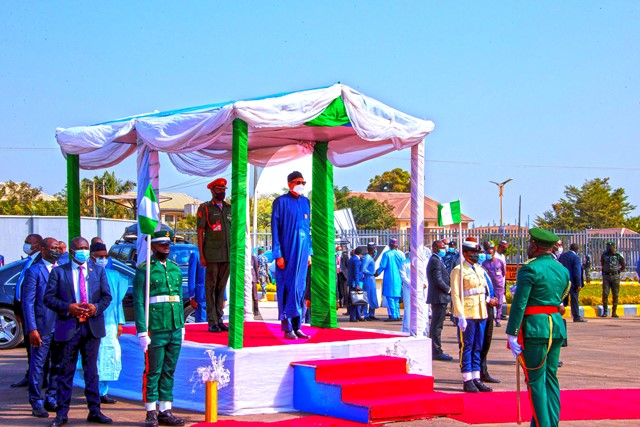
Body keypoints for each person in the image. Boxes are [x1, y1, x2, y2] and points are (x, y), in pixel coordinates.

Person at [44, 236, 113, 427]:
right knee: (66, 371)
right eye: (80, 248)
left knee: (92, 372)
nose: (83, 251)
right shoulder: (60, 272)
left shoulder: (98, 271)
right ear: (72, 251)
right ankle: (62, 413)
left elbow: (107, 297)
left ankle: (95, 411)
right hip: (69, 327)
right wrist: (69, 307)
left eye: (86, 248)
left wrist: (95, 308)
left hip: (92, 327)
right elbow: (48, 298)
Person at [506, 228, 570, 427]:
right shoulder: (562, 269)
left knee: (535, 382)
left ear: (535, 245)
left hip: (535, 329)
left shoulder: (530, 268)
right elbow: (560, 298)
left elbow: (520, 303)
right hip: (556, 327)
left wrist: (512, 333)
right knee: (551, 380)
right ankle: (550, 422)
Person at [133, 230, 185, 427]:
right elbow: (139, 302)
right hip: (155, 327)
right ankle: (150, 411)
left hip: (174, 326)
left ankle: (165, 409)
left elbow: (179, 298)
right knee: (153, 371)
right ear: (153, 246)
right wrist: (142, 331)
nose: (166, 248)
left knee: (169, 370)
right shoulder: (145, 270)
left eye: (168, 245)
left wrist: (182, 324)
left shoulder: (174, 269)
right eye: (162, 244)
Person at [22, 237, 62, 417]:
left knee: (58, 364)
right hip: (42, 327)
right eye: (53, 248)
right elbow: (28, 302)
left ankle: (51, 398)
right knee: (38, 366)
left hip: (61, 327)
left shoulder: (61, 270)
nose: (57, 251)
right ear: (44, 250)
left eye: (58, 248)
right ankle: (36, 401)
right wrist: (32, 329)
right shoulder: (34, 271)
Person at [271, 171, 312, 340]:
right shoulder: (280, 202)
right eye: (297, 182)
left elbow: (307, 230)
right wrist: (278, 254)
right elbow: (275, 229)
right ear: (289, 184)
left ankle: (298, 325)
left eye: (303, 181)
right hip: (287, 253)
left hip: (302, 253)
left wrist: (309, 252)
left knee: (300, 288)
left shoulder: (305, 202)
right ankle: (287, 327)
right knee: (288, 287)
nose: (301, 184)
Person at [450, 237, 492, 393]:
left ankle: (476, 377)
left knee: (478, 347)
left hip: (481, 312)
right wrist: (459, 315)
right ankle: (467, 378)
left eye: (477, 252)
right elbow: (456, 294)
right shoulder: (458, 271)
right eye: (473, 252)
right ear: (466, 253)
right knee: (467, 347)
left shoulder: (479, 269)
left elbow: (483, 290)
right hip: (467, 313)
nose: (476, 255)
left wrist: (488, 299)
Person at [89, 242, 130, 404]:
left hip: (111, 322)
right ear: (92, 257)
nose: (103, 259)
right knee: (93, 357)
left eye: (105, 257)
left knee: (108, 355)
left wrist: (120, 322)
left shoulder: (113, 276)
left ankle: (103, 392)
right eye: (99, 257)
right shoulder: (87, 275)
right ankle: (91, 392)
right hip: (92, 321)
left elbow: (117, 301)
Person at [197, 177, 232, 333]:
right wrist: (202, 256)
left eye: (224, 190)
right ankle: (211, 321)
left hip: (227, 254)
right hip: (211, 254)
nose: (222, 192)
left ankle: (219, 319)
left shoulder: (229, 208)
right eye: (219, 190)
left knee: (221, 288)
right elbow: (200, 233)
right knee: (210, 288)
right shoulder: (205, 208)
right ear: (212, 191)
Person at [11, 233, 44, 388]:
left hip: (36, 312)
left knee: (36, 348)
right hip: (24, 311)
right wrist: (17, 309)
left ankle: (38, 378)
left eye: (28, 243)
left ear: (37, 245)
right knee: (29, 348)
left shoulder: (40, 262)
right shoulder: (29, 262)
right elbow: (20, 286)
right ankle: (30, 375)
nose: (26, 245)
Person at [427, 240, 452, 361]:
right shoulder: (435, 261)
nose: (444, 249)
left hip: (439, 297)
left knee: (437, 325)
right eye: (442, 247)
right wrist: (449, 290)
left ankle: (435, 349)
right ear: (435, 248)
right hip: (439, 297)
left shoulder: (437, 260)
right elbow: (438, 280)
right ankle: (436, 350)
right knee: (437, 326)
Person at [478, 247, 500, 384]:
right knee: (476, 344)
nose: (480, 255)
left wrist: (494, 298)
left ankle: (483, 371)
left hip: (489, 309)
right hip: (478, 309)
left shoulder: (482, 270)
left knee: (486, 341)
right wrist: (488, 299)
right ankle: (474, 374)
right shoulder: (465, 270)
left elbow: (488, 287)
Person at [376, 238, 405, 321]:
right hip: (398, 279)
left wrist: (376, 273)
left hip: (389, 278)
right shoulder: (401, 254)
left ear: (390, 245)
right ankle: (397, 315)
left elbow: (382, 266)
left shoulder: (387, 254)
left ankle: (393, 315)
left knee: (390, 298)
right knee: (396, 298)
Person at [559, 243, 586, 322]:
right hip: (573, 282)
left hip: (563, 281)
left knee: (562, 299)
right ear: (577, 250)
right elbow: (577, 271)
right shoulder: (575, 257)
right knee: (574, 299)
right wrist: (578, 284)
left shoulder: (562, 256)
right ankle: (576, 316)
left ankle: (559, 316)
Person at [482, 242, 506, 327]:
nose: (489, 255)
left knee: (499, 303)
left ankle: (498, 319)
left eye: (490, 254)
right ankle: (490, 318)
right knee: (489, 302)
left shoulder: (499, 262)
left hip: (498, 285)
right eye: (487, 254)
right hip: (489, 286)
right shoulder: (484, 263)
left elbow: (503, 272)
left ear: (493, 254)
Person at [600, 241, 626, 318]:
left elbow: (623, 265)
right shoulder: (604, 255)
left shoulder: (618, 255)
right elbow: (602, 264)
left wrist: (618, 271)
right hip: (606, 276)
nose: (609, 248)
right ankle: (605, 312)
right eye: (608, 247)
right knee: (605, 294)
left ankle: (614, 312)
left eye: (611, 247)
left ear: (614, 247)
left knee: (615, 294)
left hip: (615, 277)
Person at [187, 251, 207, 323]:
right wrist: (192, 296)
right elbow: (191, 276)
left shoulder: (216, 255)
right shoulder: (196, 255)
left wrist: (223, 296)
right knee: (202, 324)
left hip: (215, 296)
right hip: (201, 298)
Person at [361, 243, 379, 321]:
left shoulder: (371, 257)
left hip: (372, 279)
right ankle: (366, 314)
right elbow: (363, 269)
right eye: (375, 249)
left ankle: (372, 314)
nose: (376, 250)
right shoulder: (367, 258)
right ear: (372, 249)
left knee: (372, 297)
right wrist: (372, 273)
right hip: (368, 279)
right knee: (367, 297)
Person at [347, 247, 365, 322]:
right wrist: (357, 284)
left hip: (351, 281)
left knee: (354, 299)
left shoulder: (351, 259)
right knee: (356, 300)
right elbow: (356, 272)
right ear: (360, 253)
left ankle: (357, 315)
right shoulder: (356, 260)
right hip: (356, 282)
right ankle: (353, 317)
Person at [251, 252, 261, 317]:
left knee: (254, 295)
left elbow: (256, 269)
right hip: (245, 279)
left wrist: (257, 279)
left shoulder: (253, 258)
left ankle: (256, 310)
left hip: (253, 278)